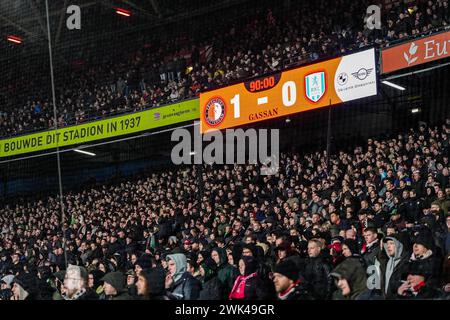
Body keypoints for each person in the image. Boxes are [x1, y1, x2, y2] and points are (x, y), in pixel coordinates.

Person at [379, 234, 410, 299]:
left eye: (392, 243)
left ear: (399, 245)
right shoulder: (386, 262)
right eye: (387, 244)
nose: (388, 246)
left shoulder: (406, 263)